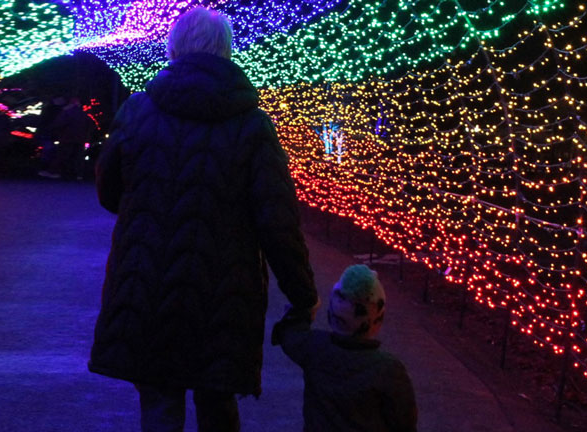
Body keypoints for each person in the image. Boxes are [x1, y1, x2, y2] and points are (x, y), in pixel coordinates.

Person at [90, 6, 317, 432]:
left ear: (174, 47)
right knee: (217, 404)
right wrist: (302, 294)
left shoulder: (139, 111)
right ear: (227, 52)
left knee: (159, 404)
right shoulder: (252, 126)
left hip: (147, 284)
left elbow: (108, 190)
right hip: (224, 295)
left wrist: (149, 211)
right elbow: (277, 221)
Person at [273, 265, 417, 432]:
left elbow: (289, 334)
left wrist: (303, 311)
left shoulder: (313, 347)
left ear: (332, 314)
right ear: (376, 320)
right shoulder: (390, 370)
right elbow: (404, 423)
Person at [39, 96, 92, 179]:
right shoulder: (83, 113)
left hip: (67, 137)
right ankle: (79, 174)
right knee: (78, 157)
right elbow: (88, 126)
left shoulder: (67, 112)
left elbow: (59, 123)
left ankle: (54, 172)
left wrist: (51, 129)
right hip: (80, 138)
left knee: (62, 155)